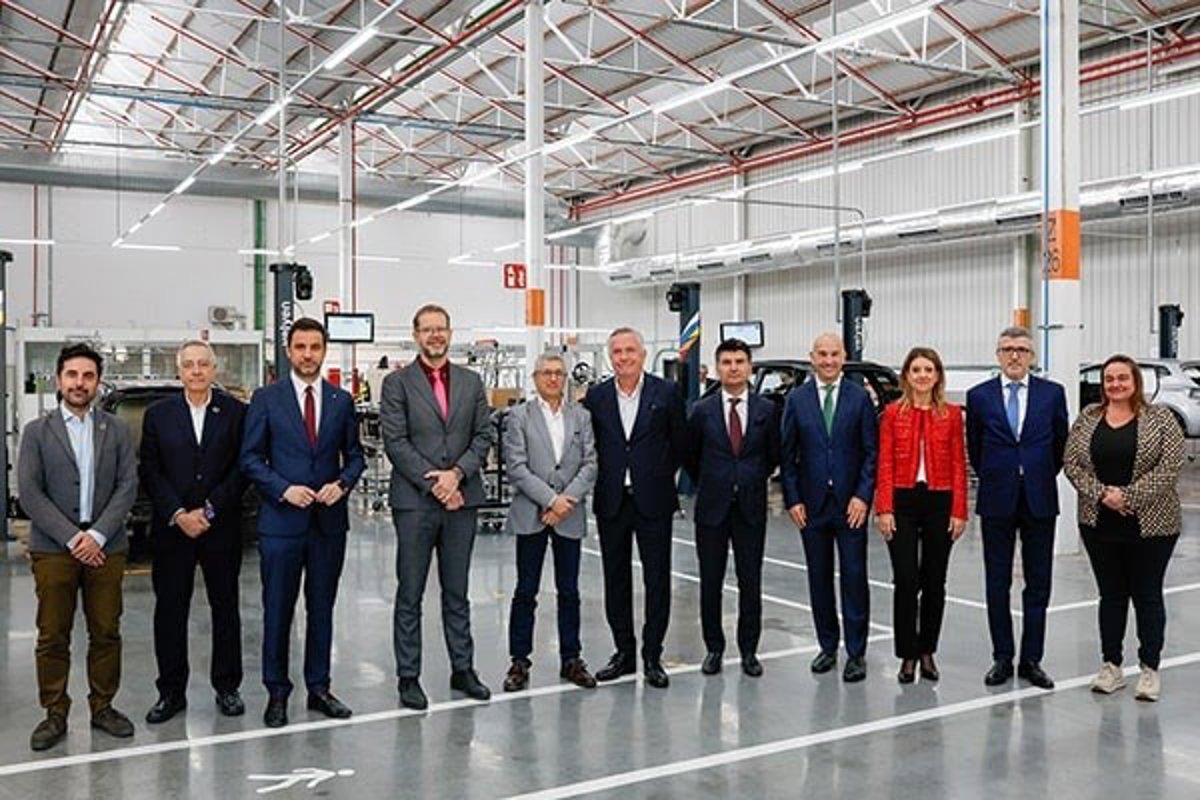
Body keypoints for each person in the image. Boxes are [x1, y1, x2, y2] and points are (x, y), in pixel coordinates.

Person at [240, 318, 365, 728]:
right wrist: (283, 489)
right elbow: (250, 458)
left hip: (328, 524)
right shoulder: (266, 399)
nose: (308, 354)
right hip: (281, 522)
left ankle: (319, 688)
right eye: (300, 347)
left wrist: (342, 485)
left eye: (315, 347)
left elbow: (356, 457)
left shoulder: (341, 401)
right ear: (289, 351)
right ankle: (277, 692)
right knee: (278, 610)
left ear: (324, 350)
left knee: (322, 609)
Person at [18, 343, 139, 751]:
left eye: (88, 376)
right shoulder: (37, 432)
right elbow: (30, 493)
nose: (79, 383)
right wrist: (73, 538)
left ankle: (103, 707)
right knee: (53, 634)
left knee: (106, 630)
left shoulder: (116, 429)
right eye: (72, 375)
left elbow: (127, 485)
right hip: (54, 549)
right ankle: (55, 712)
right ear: (59, 380)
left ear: (98, 382)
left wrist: (98, 535)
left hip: (106, 546)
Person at [381, 304, 495, 710]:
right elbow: (396, 442)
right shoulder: (397, 383)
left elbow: (483, 436)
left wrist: (457, 475)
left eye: (440, 329)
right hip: (415, 503)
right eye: (427, 329)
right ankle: (408, 676)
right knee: (410, 591)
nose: (435, 335)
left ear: (450, 333)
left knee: (457, 591)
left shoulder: (471, 381)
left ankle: (463, 668)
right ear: (416, 335)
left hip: (462, 500)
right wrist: (438, 484)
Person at [1064, 355, 1184, 702]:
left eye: (1122, 378)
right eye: (1109, 379)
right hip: (1099, 523)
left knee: (1147, 595)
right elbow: (1071, 463)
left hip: (1153, 525)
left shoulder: (1160, 418)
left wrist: (1128, 496)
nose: (1115, 384)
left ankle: (1149, 669)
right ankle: (1111, 666)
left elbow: (1170, 466)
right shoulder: (1088, 417)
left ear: (1136, 381)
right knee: (1111, 596)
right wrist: (1104, 495)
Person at [141, 340, 248, 724]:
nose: (197, 371)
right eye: (189, 365)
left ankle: (227, 686)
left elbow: (242, 467)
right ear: (179, 371)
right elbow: (150, 469)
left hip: (220, 527)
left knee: (226, 608)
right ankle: (171, 692)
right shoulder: (159, 415)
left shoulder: (236, 412)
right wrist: (177, 513)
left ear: (214, 369)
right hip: (174, 530)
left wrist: (210, 509)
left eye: (204, 364)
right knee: (170, 611)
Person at [584, 327, 687, 689]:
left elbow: (680, 443)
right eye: (617, 351)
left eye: (630, 350)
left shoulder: (667, 392)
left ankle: (652, 655)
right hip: (612, 500)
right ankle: (624, 653)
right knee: (615, 579)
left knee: (657, 579)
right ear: (610, 357)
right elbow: (591, 446)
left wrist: (657, 474)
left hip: (653, 500)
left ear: (643, 355)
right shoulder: (596, 397)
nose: (624, 357)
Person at [966, 326, 1068, 690]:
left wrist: (1035, 474)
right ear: (997, 355)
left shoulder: (1052, 394)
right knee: (997, 581)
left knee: (1038, 583)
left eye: (1021, 350)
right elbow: (975, 447)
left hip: (1039, 498)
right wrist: (1001, 475)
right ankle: (1002, 657)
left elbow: (1060, 444)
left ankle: (1031, 660)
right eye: (1007, 349)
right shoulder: (979, 397)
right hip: (997, 498)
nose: (1014, 355)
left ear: (1032, 356)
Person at [780, 333, 877, 682]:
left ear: (844, 357)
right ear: (812, 358)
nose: (828, 360)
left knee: (854, 576)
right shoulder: (797, 400)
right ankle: (827, 646)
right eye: (822, 354)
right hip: (812, 506)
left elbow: (871, 452)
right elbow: (787, 455)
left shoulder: (859, 398)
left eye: (834, 354)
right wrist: (793, 499)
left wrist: (863, 496)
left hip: (851, 506)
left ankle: (856, 652)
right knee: (818, 578)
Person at [500, 353, 598, 692]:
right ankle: (519, 661)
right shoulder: (518, 416)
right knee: (526, 590)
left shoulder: (581, 417)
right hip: (533, 513)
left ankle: (571, 658)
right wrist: (550, 500)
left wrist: (564, 501)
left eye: (558, 373)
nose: (553, 378)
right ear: (535, 377)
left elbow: (590, 464)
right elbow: (516, 467)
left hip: (568, 514)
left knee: (569, 590)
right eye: (546, 373)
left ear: (565, 378)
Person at [684, 339, 780, 677]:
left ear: (750, 366)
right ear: (717, 368)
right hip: (712, 508)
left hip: (751, 508)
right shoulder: (701, 411)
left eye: (740, 361)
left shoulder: (767, 410)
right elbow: (691, 457)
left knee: (750, 581)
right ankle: (714, 648)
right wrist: (717, 480)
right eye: (727, 362)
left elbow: (772, 455)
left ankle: (749, 650)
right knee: (710, 581)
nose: (734, 367)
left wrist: (748, 478)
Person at [874, 347, 968, 684]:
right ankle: (907, 654)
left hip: (940, 501)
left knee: (934, 581)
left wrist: (959, 511)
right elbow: (884, 462)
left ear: (938, 375)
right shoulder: (891, 414)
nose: (923, 375)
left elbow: (959, 463)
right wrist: (884, 508)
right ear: (907, 376)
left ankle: (927, 649)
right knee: (906, 580)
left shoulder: (952, 415)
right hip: (902, 501)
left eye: (929, 369)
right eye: (916, 370)